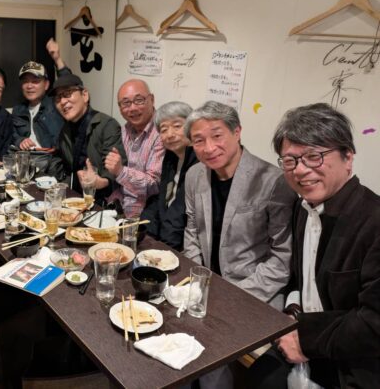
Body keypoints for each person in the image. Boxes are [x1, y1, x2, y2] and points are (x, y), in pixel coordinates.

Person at [248, 103, 380, 389]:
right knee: (256, 376)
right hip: (304, 335)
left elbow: (374, 322)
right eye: (290, 160)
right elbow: (301, 277)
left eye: (313, 156)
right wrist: (293, 310)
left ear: (348, 157)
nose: (300, 170)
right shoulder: (303, 208)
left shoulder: (373, 221)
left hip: (353, 359)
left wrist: (306, 340)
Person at [183, 101, 296, 389]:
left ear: (237, 132)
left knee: (210, 344)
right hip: (207, 285)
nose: (209, 147)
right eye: (199, 140)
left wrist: (231, 296)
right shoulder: (194, 175)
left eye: (217, 135)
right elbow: (192, 229)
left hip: (256, 291)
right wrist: (199, 281)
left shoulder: (273, 181)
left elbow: (282, 259)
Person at [48, 73, 126, 202]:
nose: (62, 101)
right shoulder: (65, 130)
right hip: (73, 198)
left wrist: (101, 181)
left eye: (67, 94)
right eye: (58, 98)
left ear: (84, 95)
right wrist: (61, 182)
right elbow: (59, 161)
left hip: (102, 201)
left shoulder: (107, 125)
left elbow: (116, 169)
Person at [141, 101, 198, 250]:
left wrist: (164, 250)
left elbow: (180, 212)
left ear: (192, 126)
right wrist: (146, 234)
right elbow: (161, 200)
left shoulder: (199, 162)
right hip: (163, 239)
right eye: (164, 129)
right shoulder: (171, 156)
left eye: (177, 126)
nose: (170, 134)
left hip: (183, 246)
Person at [105, 79, 165, 218]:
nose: (132, 108)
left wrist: (121, 171)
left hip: (144, 216)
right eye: (126, 103)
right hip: (117, 207)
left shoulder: (162, 132)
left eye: (139, 100)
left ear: (152, 99)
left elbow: (154, 185)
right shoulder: (124, 130)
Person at [11, 60, 63, 152]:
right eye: (25, 81)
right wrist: (20, 141)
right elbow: (11, 133)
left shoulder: (56, 104)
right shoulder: (17, 110)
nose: (29, 86)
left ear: (46, 85)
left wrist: (57, 59)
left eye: (35, 81)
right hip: (24, 158)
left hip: (51, 158)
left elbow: (69, 86)